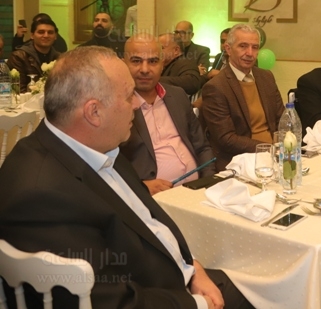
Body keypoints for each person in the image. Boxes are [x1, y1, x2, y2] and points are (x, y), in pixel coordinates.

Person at [0, 46, 253, 308]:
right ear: (94, 112)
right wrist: (199, 304)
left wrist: (193, 266)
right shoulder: (42, 195)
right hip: (161, 297)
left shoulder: (98, 147)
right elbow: (110, 302)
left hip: (174, 278)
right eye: (128, 95)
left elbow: (150, 223)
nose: (136, 104)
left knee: (261, 281)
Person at [120, 34, 215, 195]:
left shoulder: (177, 95)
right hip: (150, 199)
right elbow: (104, 164)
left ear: (162, 64)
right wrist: (139, 187)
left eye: (153, 61)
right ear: (123, 63)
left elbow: (202, 147)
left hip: (196, 193)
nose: (145, 69)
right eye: (136, 61)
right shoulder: (115, 105)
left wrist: (208, 184)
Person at [201, 24, 284, 171]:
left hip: (276, 157)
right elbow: (226, 139)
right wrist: (268, 148)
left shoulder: (266, 77)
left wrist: (284, 146)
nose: (250, 53)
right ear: (228, 49)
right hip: (241, 161)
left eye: (255, 47)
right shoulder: (216, 87)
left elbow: (282, 119)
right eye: (243, 46)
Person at [8, 15, 62, 92]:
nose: (46, 35)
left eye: (50, 32)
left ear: (55, 36)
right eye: (41, 32)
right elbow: (18, 90)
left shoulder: (60, 58)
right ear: (32, 35)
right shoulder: (18, 57)